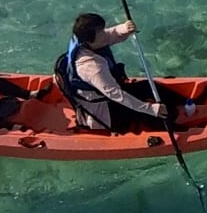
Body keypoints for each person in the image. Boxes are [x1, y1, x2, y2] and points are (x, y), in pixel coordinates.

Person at [44, 12, 188, 132]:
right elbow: (118, 96)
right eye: (100, 32)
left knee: (146, 86)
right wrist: (151, 109)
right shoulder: (92, 68)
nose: (104, 33)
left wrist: (124, 28)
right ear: (89, 40)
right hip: (106, 113)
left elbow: (109, 35)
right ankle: (178, 130)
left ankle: (188, 102)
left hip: (106, 95)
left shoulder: (87, 40)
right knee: (140, 111)